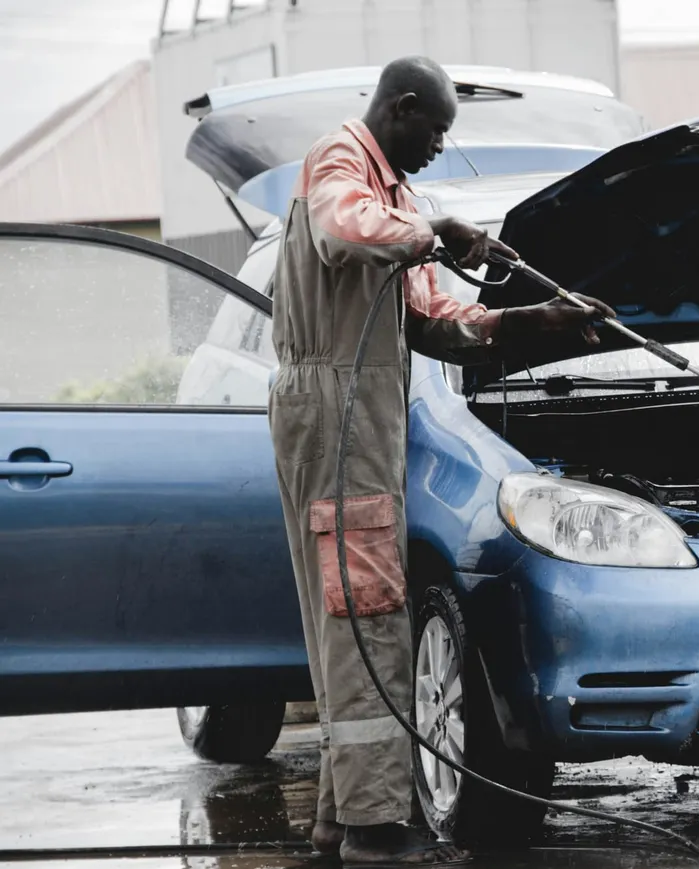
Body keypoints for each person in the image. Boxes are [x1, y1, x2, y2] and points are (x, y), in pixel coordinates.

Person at [267, 55, 615, 866]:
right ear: (405, 108)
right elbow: (342, 228)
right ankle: (376, 830)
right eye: (438, 129)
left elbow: (433, 318)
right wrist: (441, 232)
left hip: (366, 409)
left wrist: (533, 319)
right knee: (365, 611)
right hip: (336, 407)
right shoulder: (342, 161)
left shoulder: (397, 194)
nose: (440, 146)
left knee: (357, 610)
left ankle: (340, 818)